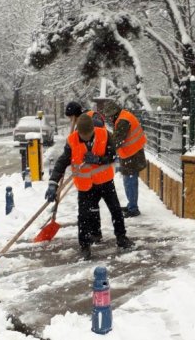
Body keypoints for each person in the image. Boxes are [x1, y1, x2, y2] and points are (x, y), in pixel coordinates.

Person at [45, 114, 134, 260]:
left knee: (116, 210)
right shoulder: (72, 141)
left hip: (105, 181)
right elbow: (62, 162)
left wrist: (99, 159)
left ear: (93, 129)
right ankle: (85, 246)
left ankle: (121, 237)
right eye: (83, 135)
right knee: (84, 216)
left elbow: (113, 155)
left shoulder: (104, 134)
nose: (86, 137)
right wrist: (53, 183)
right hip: (85, 186)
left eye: (88, 134)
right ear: (78, 131)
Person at [63, 101, 106, 242]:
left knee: (91, 205)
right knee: (91, 206)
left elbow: (95, 138)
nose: (71, 121)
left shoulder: (91, 120)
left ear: (75, 115)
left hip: (99, 171)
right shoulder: (84, 119)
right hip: (89, 172)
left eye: (71, 118)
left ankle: (94, 233)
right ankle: (93, 233)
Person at [102, 101, 147, 218]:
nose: (110, 119)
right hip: (130, 154)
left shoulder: (123, 121)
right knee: (128, 181)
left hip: (133, 155)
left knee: (130, 181)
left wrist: (104, 149)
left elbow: (117, 141)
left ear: (114, 113)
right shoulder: (123, 116)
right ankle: (131, 205)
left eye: (110, 116)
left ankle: (133, 209)